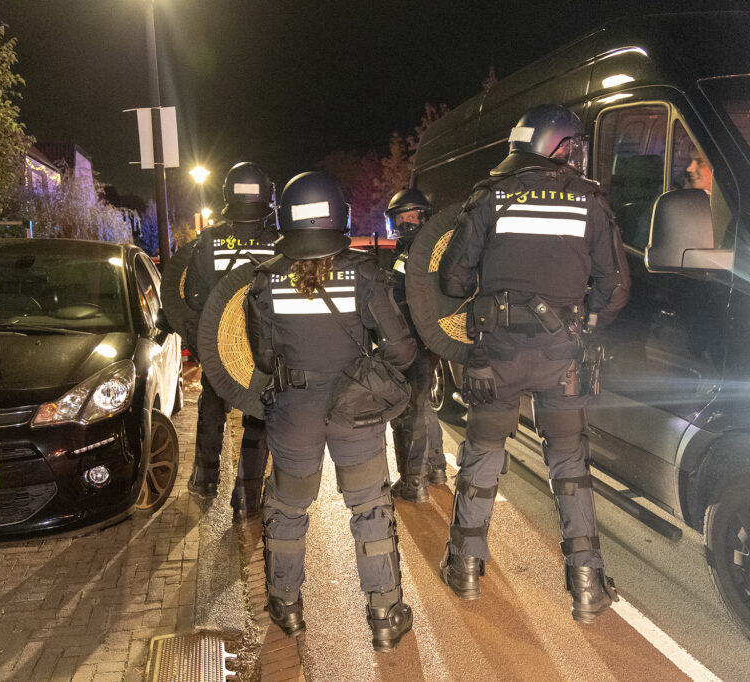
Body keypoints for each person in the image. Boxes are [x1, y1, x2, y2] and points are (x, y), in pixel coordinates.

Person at [437, 104, 628, 623]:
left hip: (494, 356)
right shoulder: (591, 202)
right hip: (560, 357)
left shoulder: (489, 198)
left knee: (483, 457)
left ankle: (466, 569)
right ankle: (588, 587)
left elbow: (452, 281)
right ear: (561, 146)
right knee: (569, 465)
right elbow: (615, 287)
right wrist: (584, 327)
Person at [245, 171, 417, 651]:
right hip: (354, 413)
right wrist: (363, 378)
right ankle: (384, 615)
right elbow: (402, 351)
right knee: (369, 509)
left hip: (294, 413)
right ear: (338, 216)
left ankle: (286, 606)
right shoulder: (365, 274)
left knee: (287, 509)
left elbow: (262, 359)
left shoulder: (265, 282)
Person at [183, 162, 278, 518]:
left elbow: (193, 299)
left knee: (211, 407)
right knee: (258, 415)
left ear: (227, 195)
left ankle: (205, 478)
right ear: (266, 197)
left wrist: (202, 343)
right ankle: (246, 496)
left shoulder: (210, 240)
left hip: (218, 345)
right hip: (261, 348)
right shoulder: (277, 244)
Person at [383, 188, 448, 503]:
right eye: (401, 219)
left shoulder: (423, 253)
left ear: (424, 217)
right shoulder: (418, 250)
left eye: (412, 217)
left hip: (415, 340)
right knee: (423, 407)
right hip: (427, 341)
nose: (406, 225)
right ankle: (436, 469)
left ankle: (413, 482)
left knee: (407, 412)